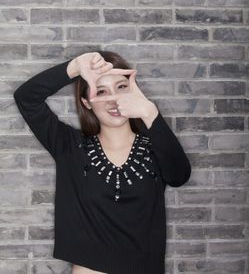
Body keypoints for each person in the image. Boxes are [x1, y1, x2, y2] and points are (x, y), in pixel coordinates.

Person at [13, 51, 191, 274]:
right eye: (101, 91)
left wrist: (148, 110)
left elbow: (179, 176)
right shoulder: (69, 146)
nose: (112, 99)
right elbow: (26, 98)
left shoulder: (155, 145)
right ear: (87, 102)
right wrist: (75, 66)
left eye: (121, 88)